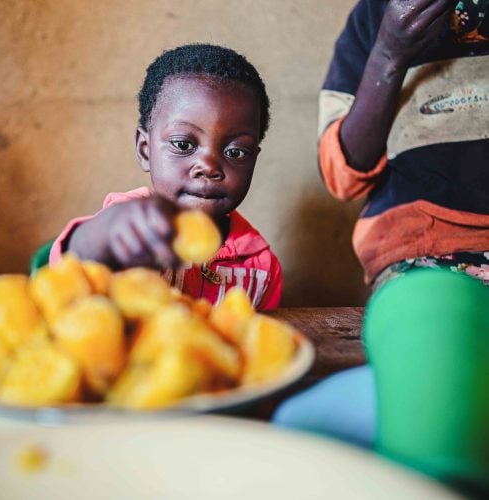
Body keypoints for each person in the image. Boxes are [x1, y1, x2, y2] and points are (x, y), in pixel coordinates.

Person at [274, 0, 489, 461]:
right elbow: (343, 175)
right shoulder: (378, 16)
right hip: (427, 251)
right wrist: (390, 52)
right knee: (430, 316)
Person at [49, 44, 283, 309]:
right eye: (184, 145)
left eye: (236, 151)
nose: (208, 166)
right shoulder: (130, 225)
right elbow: (73, 271)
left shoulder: (260, 265)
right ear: (145, 150)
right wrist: (103, 234)